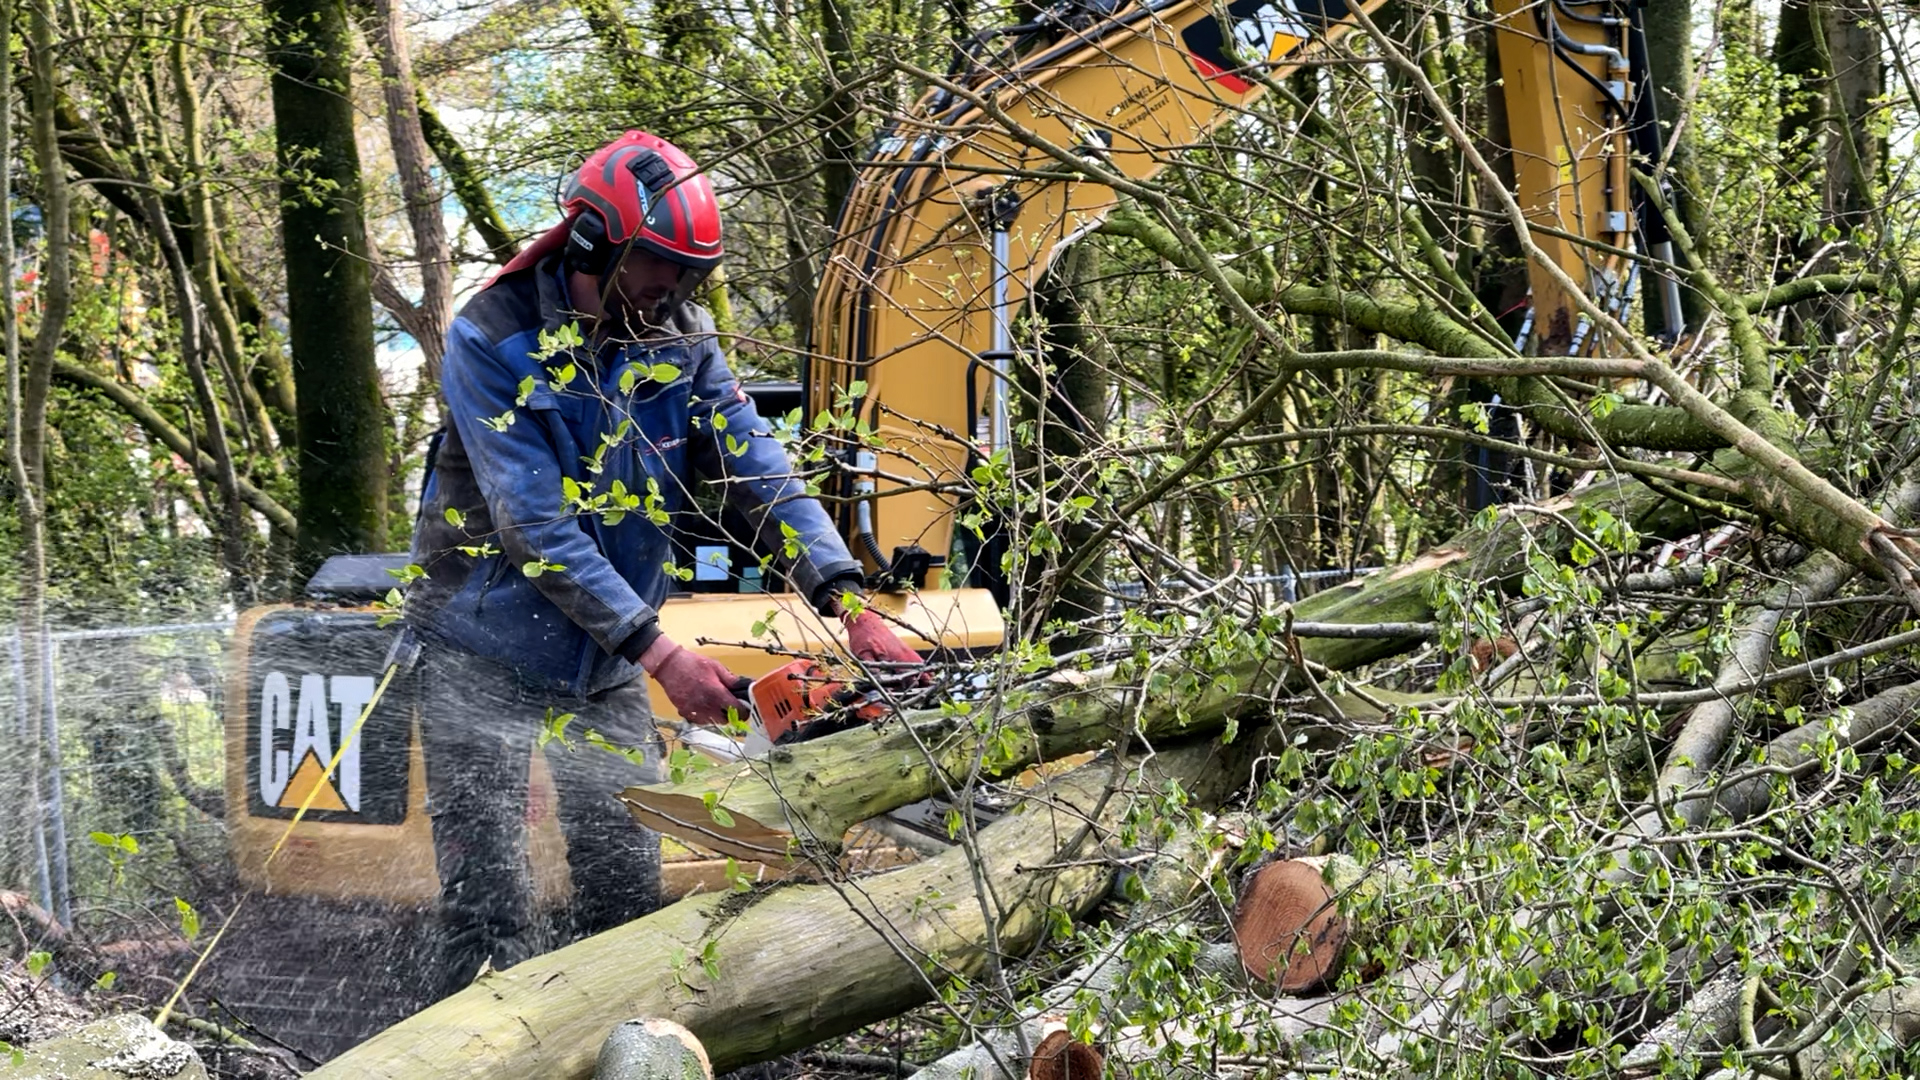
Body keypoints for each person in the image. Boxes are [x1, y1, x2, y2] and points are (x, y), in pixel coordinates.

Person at [401, 130, 920, 1000]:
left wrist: (848, 601)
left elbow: (758, 470)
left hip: (601, 656)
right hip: (478, 649)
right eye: (660, 265)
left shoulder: (681, 338)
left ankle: (627, 1046)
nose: (673, 288)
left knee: (625, 886)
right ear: (596, 242)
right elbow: (536, 525)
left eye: (691, 273)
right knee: (489, 904)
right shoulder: (492, 338)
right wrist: (661, 653)